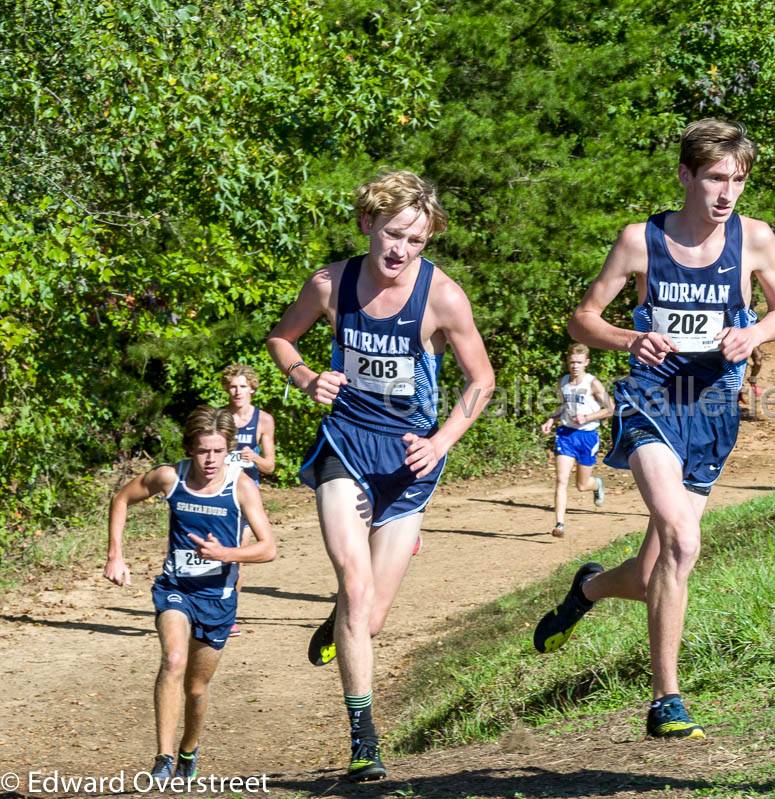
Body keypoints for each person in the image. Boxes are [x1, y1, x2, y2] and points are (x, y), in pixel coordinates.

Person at [531, 119, 775, 738]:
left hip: (713, 413)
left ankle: (589, 589)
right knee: (684, 540)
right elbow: (582, 320)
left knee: (654, 574)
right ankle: (666, 700)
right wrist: (630, 337)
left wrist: (753, 331)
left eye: (737, 179)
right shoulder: (640, 241)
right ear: (685, 176)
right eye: (714, 178)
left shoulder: (755, 240)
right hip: (650, 403)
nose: (726, 193)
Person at [266, 170, 494, 782]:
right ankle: (363, 738)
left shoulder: (443, 297)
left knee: (366, 617)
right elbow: (281, 340)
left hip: (409, 465)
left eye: (416, 240)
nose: (401, 250)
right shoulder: (330, 285)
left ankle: (338, 619)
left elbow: (482, 381)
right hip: (345, 446)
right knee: (356, 584)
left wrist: (442, 440)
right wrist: (307, 378)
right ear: (369, 223)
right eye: (393, 234)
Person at [104, 406, 276, 781]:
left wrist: (225, 554)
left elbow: (268, 548)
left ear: (227, 448)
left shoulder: (241, 486)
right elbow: (121, 499)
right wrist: (115, 555)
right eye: (202, 451)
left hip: (218, 597)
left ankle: (188, 748)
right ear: (190, 448)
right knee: (174, 659)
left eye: (217, 450)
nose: (210, 459)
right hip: (176, 588)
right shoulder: (171, 477)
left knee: (197, 688)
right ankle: (163, 758)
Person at [221, 363, 276, 636]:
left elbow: (270, 466)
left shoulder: (263, 421)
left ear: (252, 388)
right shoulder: (218, 418)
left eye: (243, 386)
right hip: (218, 491)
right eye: (232, 386)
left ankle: (228, 614)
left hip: (246, 494)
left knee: (237, 556)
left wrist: (253, 457)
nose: (237, 391)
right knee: (216, 552)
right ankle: (207, 607)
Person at [540, 344, 614, 537]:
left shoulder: (593, 384)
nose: (575, 366)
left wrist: (587, 418)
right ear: (567, 362)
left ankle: (596, 484)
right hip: (565, 435)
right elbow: (563, 406)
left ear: (586, 363)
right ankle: (560, 524)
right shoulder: (563, 381)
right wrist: (551, 419)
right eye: (572, 362)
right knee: (561, 479)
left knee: (581, 485)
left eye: (579, 363)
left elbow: (611, 408)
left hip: (587, 436)